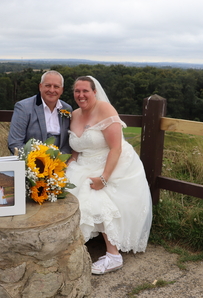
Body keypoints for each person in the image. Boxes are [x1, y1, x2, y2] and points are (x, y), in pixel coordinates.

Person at [66, 76, 152, 275]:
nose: (80, 95)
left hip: (111, 162)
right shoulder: (74, 114)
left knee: (94, 196)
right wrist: (70, 163)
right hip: (85, 163)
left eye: (85, 91)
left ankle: (113, 256)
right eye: (77, 91)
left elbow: (116, 148)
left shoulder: (105, 110)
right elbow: (77, 147)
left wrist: (104, 178)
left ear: (94, 92)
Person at [8, 70, 72, 154]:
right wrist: (39, 160)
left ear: (62, 90)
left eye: (56, 86)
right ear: (40, 87)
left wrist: (59, 160)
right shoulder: (24, 107)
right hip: (30, 163)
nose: (52, 90)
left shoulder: (67, 109)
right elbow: (15, 143)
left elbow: (67, 143)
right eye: (48, 85)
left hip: (59, 163)